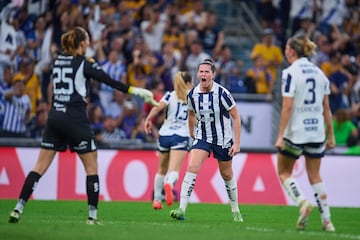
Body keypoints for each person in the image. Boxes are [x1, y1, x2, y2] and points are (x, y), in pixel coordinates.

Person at [8, 26, 159, 225]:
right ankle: (92, 216)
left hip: (55, 118)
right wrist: (136, 91)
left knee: (39, 167)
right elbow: (108, 80)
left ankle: (18, 208)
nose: (89, 43)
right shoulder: (84, 63)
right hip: (75, 119)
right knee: (91, 166)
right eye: (87, 40)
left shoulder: (58, 60)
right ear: (81, 43)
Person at [169, 59, 243, 222]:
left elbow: (236, 117)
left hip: (223, 139)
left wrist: (236, 143)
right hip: (203, 136)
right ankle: (181, 209)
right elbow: (191, 114)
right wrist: (191, 131)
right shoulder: (192, 94)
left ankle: (235, 210)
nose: (203, 74)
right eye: (201, 71)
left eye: (206, 72)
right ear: (197, 74)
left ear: (213, 75)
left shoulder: (222, 93)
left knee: (227, 174)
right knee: (192, 166)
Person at [275, 36, 336, 232]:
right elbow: (327, 107)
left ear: (292, 51)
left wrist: (280, 135)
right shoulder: (320, 73)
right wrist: (331, 135)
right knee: (315, 176)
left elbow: (287, 106)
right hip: (317, 131)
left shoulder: (290, 73)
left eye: (286, 47)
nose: (285, 51)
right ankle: (327, 221)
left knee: (284, 171)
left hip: (297, 131)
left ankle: (303, 202)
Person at [144, 71, 193, 210]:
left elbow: (158, 106)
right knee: (174, 171)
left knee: (161, 169)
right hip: (181, 135)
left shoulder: (169, 94)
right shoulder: (192, 97)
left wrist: (148, 119)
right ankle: (169, 185)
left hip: (164, 134)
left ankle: (157, 200)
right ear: (188, 83)